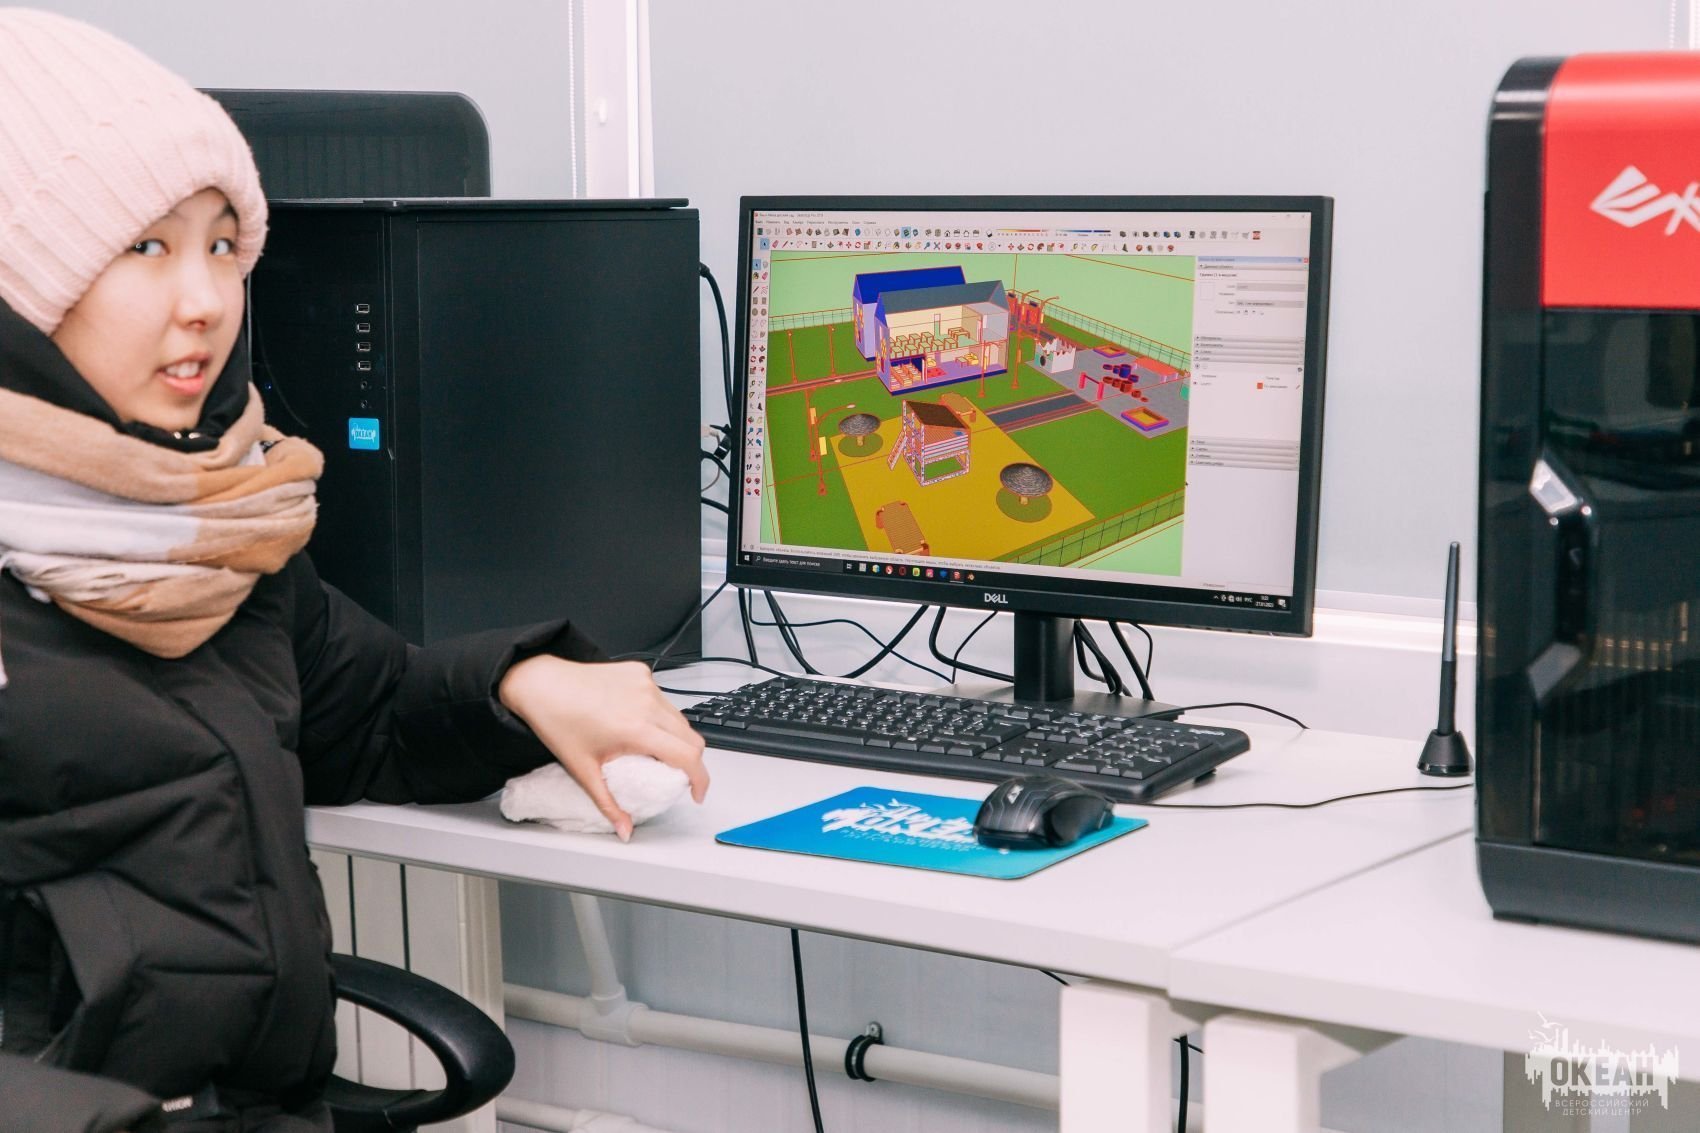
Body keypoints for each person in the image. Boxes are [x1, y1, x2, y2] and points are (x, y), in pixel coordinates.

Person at [0, 9, 707, 1131]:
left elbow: (364, 709)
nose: (205, 300)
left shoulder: (215, 529)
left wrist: (521, 682)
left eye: (222, 245)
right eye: (144, 248)